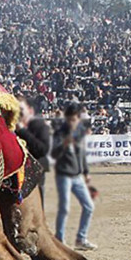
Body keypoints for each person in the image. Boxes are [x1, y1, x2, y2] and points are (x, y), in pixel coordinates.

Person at [51, 103, 97, 250]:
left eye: (74, 119)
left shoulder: (79, 132)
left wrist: (86, 172)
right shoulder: (60, 133)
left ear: (78, 119)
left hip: (77, 176)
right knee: (64, 208)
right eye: (69, 119)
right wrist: (64, 144)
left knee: (89, 206)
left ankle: (81, 238)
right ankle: (59, 239)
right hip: (64, 174)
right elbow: (54, 154)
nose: (72, 122)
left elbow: (82, 154)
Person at [16, 96, 52, 260]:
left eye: (21, 109)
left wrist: (22, 132)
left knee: (34, 223)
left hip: (35, 180)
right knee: (13, 222)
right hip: (16, 180)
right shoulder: (12, 126)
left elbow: (42, 150)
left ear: (30, 110)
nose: (18, 113)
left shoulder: (39, 126)